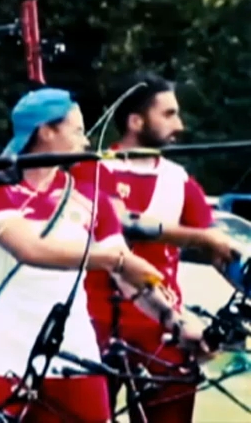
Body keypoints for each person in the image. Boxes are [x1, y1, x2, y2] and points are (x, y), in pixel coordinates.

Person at [0, 88, 204, 423]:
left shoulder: (91, 199)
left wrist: (174, 321)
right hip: (7, 359)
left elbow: (129, 279)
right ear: (46, 131)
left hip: (78, 357)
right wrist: (113, 259)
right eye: (77, 131)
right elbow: (31, 249)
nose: (86, 142)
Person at [85, 72, 232, 423]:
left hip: (164, 329)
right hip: (94, 328)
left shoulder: (179, 180)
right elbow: (118, 221)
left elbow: (223, 252)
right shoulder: (94, 171)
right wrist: (200, 237)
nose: (179, 125)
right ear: (135, 121)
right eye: (168, 114)